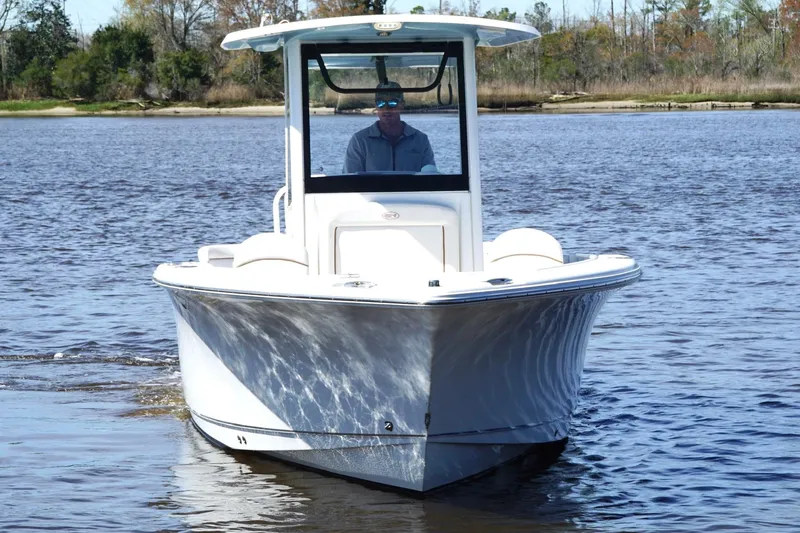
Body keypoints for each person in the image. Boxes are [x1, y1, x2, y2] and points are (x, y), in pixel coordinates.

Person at [343, 81, 436, 174]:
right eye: (380, 103)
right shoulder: (359, 141)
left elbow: (430, 178)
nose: (386, 108)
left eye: (392, 103)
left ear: (402, 104)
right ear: (376, 106)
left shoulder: (421, 140)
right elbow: (349, 182)